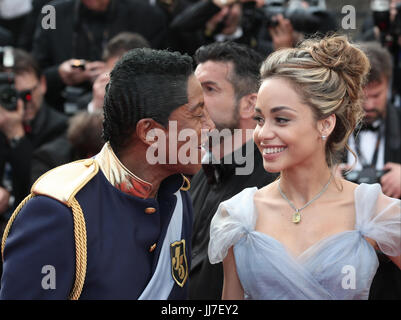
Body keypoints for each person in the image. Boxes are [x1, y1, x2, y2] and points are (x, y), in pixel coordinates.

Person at [0, 48, 214, 299]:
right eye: (198, 114)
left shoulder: (176, 197)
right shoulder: (60, 212)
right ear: (149, 132)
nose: (210, 126)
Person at [208, 35, 401, 299]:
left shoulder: (373, 210)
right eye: (260, 119)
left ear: (325, 124)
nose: (263, 133)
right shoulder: (238, 216)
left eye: (281, 119)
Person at [189, 41, 277, 300]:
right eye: (194, 89)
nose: (194, 100)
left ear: (250, 105)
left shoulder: (272, 184)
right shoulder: (196, 178)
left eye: (209, 89)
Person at [342, 42, 401, 300]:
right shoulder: (326, 125)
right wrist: (326, 176)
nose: (370, 104)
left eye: (377, 95)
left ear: (389, 84)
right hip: (341, 249)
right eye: (363, 97)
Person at [32, 0, 167, 110]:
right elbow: (34, 71)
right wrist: (59, 75)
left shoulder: (147, 15)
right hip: (60, 108)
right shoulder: (51, 12)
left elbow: (164, 73)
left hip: (128, 109)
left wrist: (118, 73)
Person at [0, 48, 67, 215]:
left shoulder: (60, 128)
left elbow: (39, 190)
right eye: (11, 95)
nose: (23, 102)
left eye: (27, 94)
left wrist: (16, 134)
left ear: (43, 84)